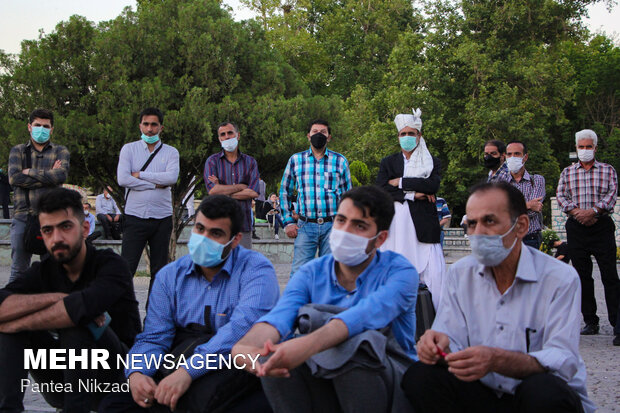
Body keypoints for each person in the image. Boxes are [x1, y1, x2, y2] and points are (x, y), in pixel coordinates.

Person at [401, 181, 595, 413]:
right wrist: (436, 347)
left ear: (521, 225)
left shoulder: (560, 278)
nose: (478, 232)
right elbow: (451, 339)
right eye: (472, 224)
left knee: (544, 391)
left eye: (489, 221)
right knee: (421, 376)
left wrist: (497, 360)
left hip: (534, 396)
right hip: (484, 392)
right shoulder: (461, 274)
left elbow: (562, 359)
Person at [233, 185, 418, 413]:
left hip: (389, 378)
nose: (345, 231)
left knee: (358, 346)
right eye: (341, 220)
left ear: (380, 239)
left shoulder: (400, 272)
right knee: (275, 357)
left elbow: (362, 316)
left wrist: (306, 346)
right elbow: (279, 317)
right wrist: (246, 349)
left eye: (359, 226)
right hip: (322, 372)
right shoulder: (312, 272)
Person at [99, 195, 279, 413]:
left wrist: (187, 372)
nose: (204, 238)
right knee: (116, 403)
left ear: (236, 239)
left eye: (216, 234)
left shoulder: (256, 271)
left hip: (234, 359)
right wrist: (138, 373)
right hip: (181, 352)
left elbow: (239, 331)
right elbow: (155, 336)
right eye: (200, 229)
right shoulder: (170, 276)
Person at [0, 188, 141, 413]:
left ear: (84, 228)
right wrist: (60, 298)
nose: (57, 238)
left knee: (79, 323)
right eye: (48, 230)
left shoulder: (111, 265)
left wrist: (20, 320)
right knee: (8, 329)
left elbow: (81, 309)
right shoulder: (42, 271)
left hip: (117, 379)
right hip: (61, 380)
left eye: (65, 227)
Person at [376, 109, 445, 309]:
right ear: (398, 136)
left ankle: (441, 326)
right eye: (403, 134)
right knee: (392, 275)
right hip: (396, 226)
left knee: (436, 276)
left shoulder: (431, 161)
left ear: (419, 136)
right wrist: (412, 194)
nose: (407, 137)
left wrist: (400, 182)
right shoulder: (388, 162)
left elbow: (431, 185)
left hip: (423, 225)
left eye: (411, 134)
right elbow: (381, 188)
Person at [556, 129, 619, 345]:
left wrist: (592, 212)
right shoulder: (567, 172)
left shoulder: (608, 170)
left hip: (601, 226)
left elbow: (611, 194)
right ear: (576, 148)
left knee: (610, 275)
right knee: (582, 277)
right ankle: (590, 321)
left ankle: (616, 322)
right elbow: (561, 195)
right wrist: (577, 213)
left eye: (588, 147)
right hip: (576, 228)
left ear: (595, 148)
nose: (584, 150)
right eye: (581, 147)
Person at [280, 119, 353, 276]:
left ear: (329, 137)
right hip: (305, 226)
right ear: (308, 135)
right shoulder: (295, 160)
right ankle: (298, 302)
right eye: (315, 132)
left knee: (331, 273)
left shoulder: (340, 161)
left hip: (332, 225)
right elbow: (285, 191)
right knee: (299, 274)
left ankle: (327, 301)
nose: (318, 135)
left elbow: (349, 196)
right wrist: (288, 222)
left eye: (323, 132)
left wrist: (347, 225)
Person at [117, 107, 179, 289]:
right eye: (146, 124)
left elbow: (171, 178)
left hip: (162, 218)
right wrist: (154, 184)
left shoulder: (171, 152)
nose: (149, 129)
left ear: (161, 127)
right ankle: (123, 313)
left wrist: (140, 175)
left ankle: (154, 315)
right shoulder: (129, 149)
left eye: (154, 124)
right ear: (140, 126)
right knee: (126, 268)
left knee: (159, 271)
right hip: (135, 216)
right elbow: (123, 179)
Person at [7, 108, 70, 281]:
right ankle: (12, 307)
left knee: (54, 271)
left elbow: (61, 175)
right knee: (19, 270)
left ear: (52, 129)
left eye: (45, 126)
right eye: (37, 125)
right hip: (23, 217)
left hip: (52, 218)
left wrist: (29, 172)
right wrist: (49, 176)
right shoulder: (18, 151)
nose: (41, 129)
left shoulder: (60, 151)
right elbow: (14, 179)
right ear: (29, 126)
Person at [204, 121, 260, 249]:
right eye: (222, 134)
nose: (227, 137)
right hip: (218, 225)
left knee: (242, 266)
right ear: (219, 139)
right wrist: (241, 186)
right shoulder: (212, 161)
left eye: (230, 133)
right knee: (218, 266)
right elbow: (212, 191)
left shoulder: (250, 162)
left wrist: (222, 191)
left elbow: (253, 192)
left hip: (243, 225)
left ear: (238, 135)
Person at [504, 140, 546, 249]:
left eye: (517, 154)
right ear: (505, 157)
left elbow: (534, 211)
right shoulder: (499, 182)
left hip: (530, 238)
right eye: (509, 154)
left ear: (525, 157)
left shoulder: (537, 180)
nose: (512, 157)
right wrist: (527, 205)